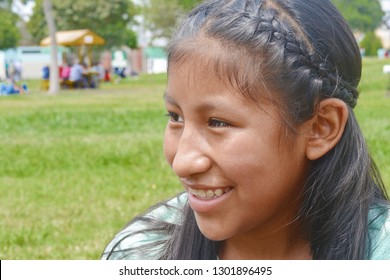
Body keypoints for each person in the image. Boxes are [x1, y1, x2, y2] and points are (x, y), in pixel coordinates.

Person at [101, 0, 390, 260]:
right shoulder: (140, 253)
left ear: (320, 128)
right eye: (175, 117)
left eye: (218, 123)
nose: (182, 162)